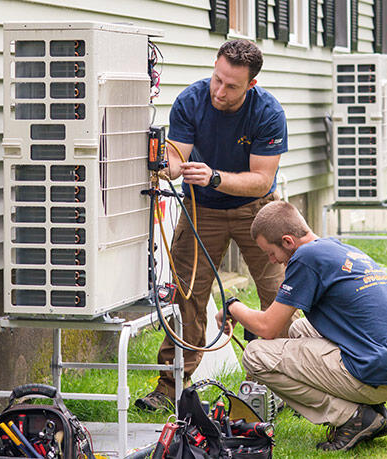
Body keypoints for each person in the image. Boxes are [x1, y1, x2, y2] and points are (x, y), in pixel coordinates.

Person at [135, 39, 289, 411]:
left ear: (250, 85)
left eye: (231, 85)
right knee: (185, 294)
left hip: (256, 209)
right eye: (216, 79)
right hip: (200, 207)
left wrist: (215, 177)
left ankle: (273, 384)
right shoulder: (191, 100)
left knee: (281, 292)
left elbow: (262, 180)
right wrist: (168, 165)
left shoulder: (268, 112)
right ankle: (170, 386)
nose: (220, 91)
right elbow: (175, 156)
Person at [214, 201, 387, 451]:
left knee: (256, 355)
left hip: (376, 373)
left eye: (271, 252)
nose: (272, 260)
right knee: (298, 330)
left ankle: (353, 416)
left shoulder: (305, 258)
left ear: (288, 242)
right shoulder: (333, 248)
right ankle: (371, 409)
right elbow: (281, 321)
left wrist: (232, 306)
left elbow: (267, 327)